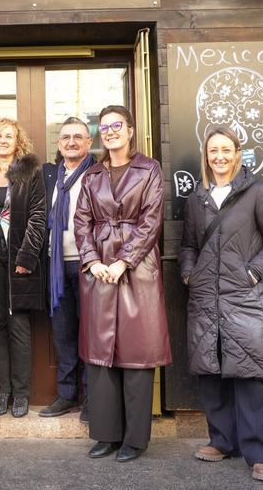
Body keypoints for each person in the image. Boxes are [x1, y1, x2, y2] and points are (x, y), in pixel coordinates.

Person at [178, 126, 263, 483]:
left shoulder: (257, 192)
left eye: (226, 149)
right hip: (206, 300)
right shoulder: (197, 198)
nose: (219, 156)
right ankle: (222, 441)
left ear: (237, 153)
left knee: (254, 375)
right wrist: (188, 273)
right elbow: (188, 245)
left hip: (247, 299)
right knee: (212, 373)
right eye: (213, 151)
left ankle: (261, 455)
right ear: (206, 156)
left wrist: (252, 273)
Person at [73, 105, 172, 462]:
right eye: (105, 127)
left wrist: (123, 261)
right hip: (99, 272)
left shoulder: (149, 169)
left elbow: (151, 221)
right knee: (100, 356)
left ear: (131, 130)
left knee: (136, 355)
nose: (111, 131)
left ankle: (134, 439)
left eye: (118, 125)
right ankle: (105, 435)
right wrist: (94, 261)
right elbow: (81, 222)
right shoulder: (92, 175)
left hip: (137, 270)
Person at [0, 117, 46, 418]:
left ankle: (22, 395)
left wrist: (26, 257)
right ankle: (3, 393)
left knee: (18, 328)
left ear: (18, 142)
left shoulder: (31, 173)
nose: (3, 140)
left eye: (9, 136)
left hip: (19, 262)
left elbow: (39, 217)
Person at [40, 117, 96, 421]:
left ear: (89, 143)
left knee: (89, 334)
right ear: (59, 144)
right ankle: (66, 395)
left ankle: (90, 398)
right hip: (56, 266)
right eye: (65, 137)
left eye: (78, 137)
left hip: (89, 265)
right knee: (63, 334)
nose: (71, 142)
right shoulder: (51, 176)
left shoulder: (98, 173)